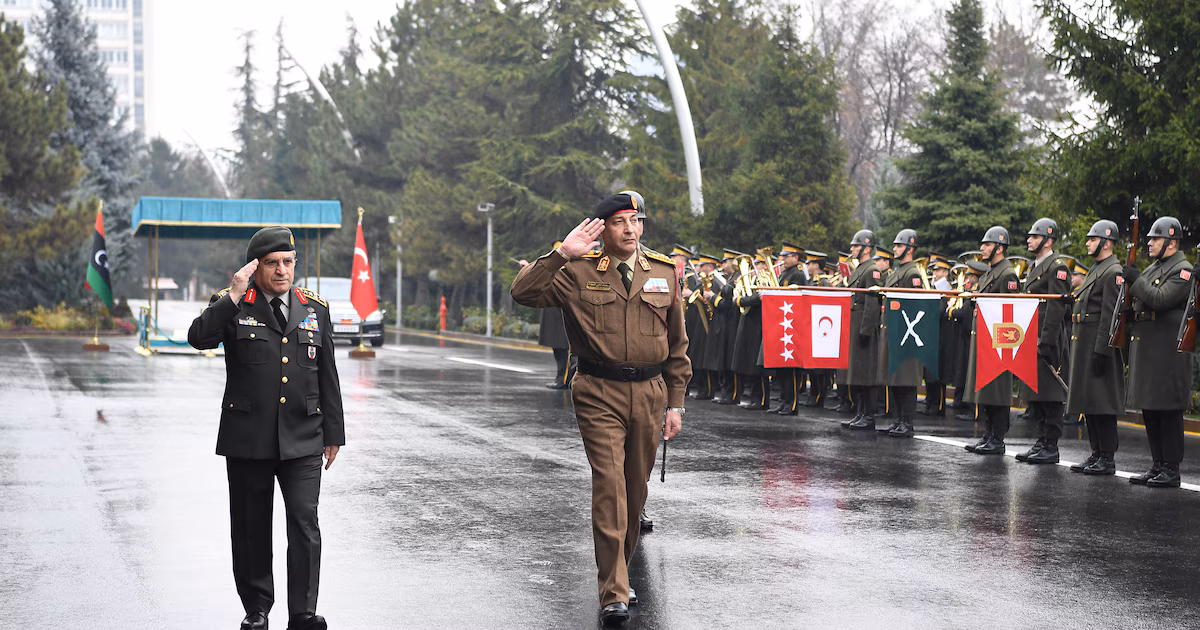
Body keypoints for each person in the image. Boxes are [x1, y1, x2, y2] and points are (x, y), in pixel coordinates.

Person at [510, 191, 689, 625]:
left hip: (650, 391)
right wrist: (561, 254)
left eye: (636, 221)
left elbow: (678, 344)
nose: (630, 229)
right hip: (598, 391)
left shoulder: (663, 272)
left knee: (634, 489)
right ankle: (613, 591)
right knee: (610, 484)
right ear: (603, 229)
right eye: (620, 222)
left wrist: (675, 403)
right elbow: (523, 292)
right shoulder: (577, 269)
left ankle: (619, 573)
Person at [187, 226, 344, 630]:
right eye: (272, 263)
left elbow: (327, 374)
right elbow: (199, 338)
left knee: (305, 524)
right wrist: (233, 296)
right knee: (251, 527)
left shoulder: (315, 308)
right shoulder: (233, 303)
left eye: (288, 262)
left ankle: (303, 612)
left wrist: (334, 434)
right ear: (255, 268)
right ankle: (257, 609)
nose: (281, 271)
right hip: (248, 439)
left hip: (304, 436)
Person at [1124, 216, 1194, 488]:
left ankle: (1171, 468)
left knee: (1168, 410)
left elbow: (1161, 299)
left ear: (1172, 242)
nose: (1150, 243)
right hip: (1149, 349)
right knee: (1150, 409)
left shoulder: (1183, 271)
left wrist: (1136, 281)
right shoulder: (1156, 267)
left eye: (1156, 238)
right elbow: (1142, 300)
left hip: (1167, 352)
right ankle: (1157, 464)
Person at [1066, 220, 1125, 475]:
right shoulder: (1097, 269)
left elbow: (1110, 315)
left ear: (1107, 243)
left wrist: (1102, 349)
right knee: (1090, 400)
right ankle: (1096, 452)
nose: (1088, 243)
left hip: (1098, 344)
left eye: (1093, 239)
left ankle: (1107, 457)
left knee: (1102, 402)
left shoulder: (1113, 271)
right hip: (1085, 341)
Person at [1014, 218, 1072, 464]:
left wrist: (1046, 341)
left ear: (1048, 241)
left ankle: (1051, 445)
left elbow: (1056, 308)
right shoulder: (1035, 266)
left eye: (1034, 236)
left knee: (1050, 393)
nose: (1029, 240)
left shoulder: (1057, 267)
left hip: (1048, 337)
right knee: (1036, 391)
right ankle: (1041, 441)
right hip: (1031, 335)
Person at [963, 226, 1019, 455]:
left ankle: (998, 437)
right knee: (986, 389)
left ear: (1000, 247)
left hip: (998, 342)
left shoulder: (1008, 274)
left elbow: (1010, 312)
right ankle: (988, 434)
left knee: (997, 390)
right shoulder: (988, 273)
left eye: (987, 244)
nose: (982, 248)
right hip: (985, 339)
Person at [876, 229, 924, 438]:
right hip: (892, 330)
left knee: (906, 378)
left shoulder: (912, 273)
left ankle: (907, 422)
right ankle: (898, 420)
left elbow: (913, 305)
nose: (894, 249)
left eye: (899, 245)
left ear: (910, 249)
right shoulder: (897, 272)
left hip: (906, 331)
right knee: (895, 378)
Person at [842, 230, 884, 430]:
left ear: (866, 249)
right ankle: (860, 412)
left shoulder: (872, 270)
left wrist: (866, 330)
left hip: (863, 326)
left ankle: (868, 415)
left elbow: (872, 303)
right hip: (855, 323)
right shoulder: (860, 269)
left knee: (866, 373)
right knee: (857, 373)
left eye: (856, 246)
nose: (852, 249)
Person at [522, 243, 577, 389]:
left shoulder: (569, 269)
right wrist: (528, 268)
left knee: (565, 351)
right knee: (558, 349)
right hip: (552, 314)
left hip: (562, 315)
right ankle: (561, 379)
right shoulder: (551, 267)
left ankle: (564, 380)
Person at [771, 242, 807, 415]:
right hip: (782, 323)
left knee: (791, 367)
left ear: (796, 258)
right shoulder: (784, 273)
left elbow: (797, 299)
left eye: (786, 256)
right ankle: (784, 401)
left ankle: (792, 404)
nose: (783, 259)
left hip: (792, 324)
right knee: (782, 367)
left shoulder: (798, 275)